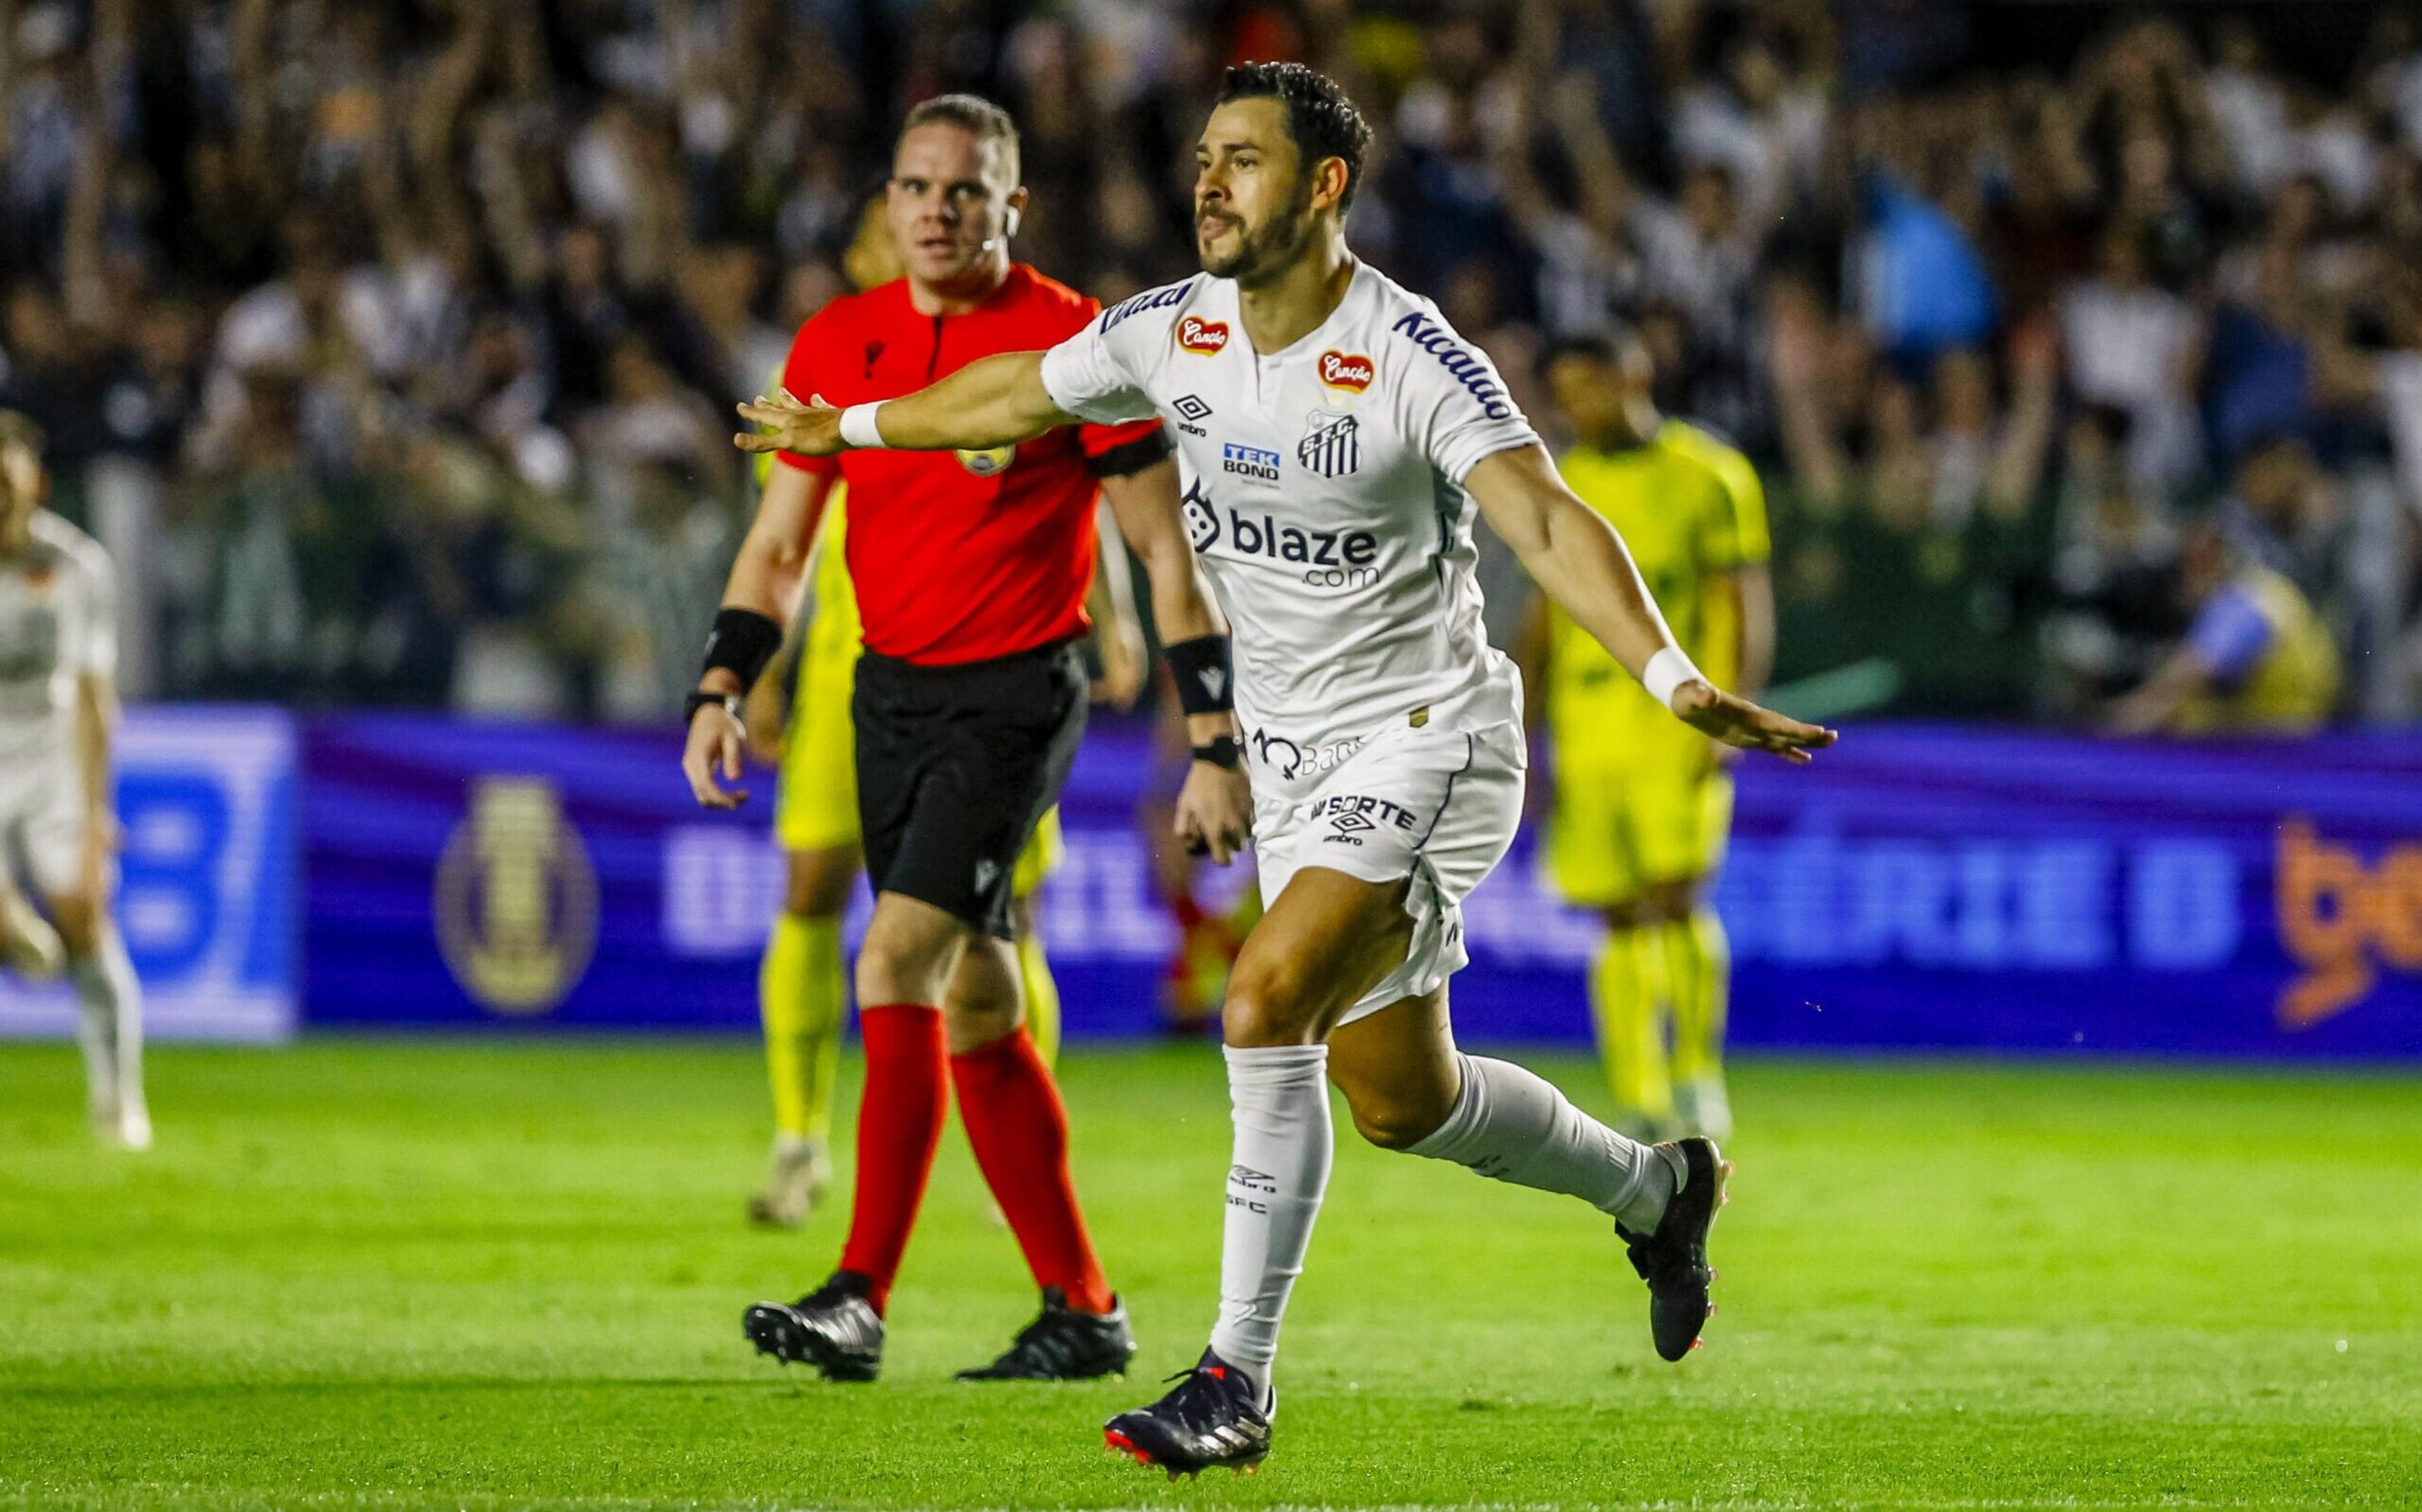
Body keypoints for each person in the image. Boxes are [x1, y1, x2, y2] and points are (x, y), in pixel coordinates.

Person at [736, 63, 1831, 1473]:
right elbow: (1014, 392)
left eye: (1244, 160)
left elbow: (1548, 524)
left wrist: (1675, 676)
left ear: (1325, 187)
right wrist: (858, 426)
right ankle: (1655, 1188)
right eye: (1204, 157)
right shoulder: (1175, 329)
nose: (1209, 183)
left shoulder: (1413, 352)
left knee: (1261, 1000)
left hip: (1435, 734)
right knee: (1400, 1097)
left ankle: (1233, 1378)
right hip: (1300, 755)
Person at [682, 95, 1247, 1384]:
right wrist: (722, 682)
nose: (938, 210)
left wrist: (1211, 732)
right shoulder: (842, 339)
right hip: (885, 694)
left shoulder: (1073, 343)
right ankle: (1086, 1306)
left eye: (966, 190)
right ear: (887, 206)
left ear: (1013, 207)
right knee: (982, 997)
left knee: (893, 959)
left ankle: (860, 1289)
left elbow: (1166, 550)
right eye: (917, 187)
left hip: (1016, 695)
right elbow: (778, 547)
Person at [740, 197, 1147, 1230]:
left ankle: (1010, 1131)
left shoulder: (1018, 341)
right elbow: (783, 538)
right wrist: (762, 670)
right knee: (812, 886)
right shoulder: (833, 354)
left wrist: (1116, 612)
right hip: (853, 666)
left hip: (998, 660)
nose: (909, 239)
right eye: (889, 223)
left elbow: (1071, 485)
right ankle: (799, 1136)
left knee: (1002, 917)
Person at [1518, 332, 1772, 1142]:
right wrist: (1523, 725)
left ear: (1636, 372)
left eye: (1589, 384)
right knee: (1618, 913)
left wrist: (1737, 709)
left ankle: (1698, 1072)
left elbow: (1739, 601)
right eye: (1565, 391)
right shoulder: (1566, 481)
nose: (1577, 405)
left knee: (1677, 895)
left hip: (1675, 719)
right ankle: (1641, 1093)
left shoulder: (1710, 475)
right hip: (1587, 725)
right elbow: (1543, 618)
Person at [0, 410, 146, 1151]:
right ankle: (12, 924)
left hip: (51, 750)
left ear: (35, 486)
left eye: (4, 481)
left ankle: (119, 1097)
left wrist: (97, 817)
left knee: (86, 922)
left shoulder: (77, 565)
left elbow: (95, 700)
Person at [2106, 517, 2340, 735]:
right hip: (2296, 725)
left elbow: (2192, 673)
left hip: (2276, 734)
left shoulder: (2241, 602)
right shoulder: (2263, 588)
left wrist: (2126, 720)